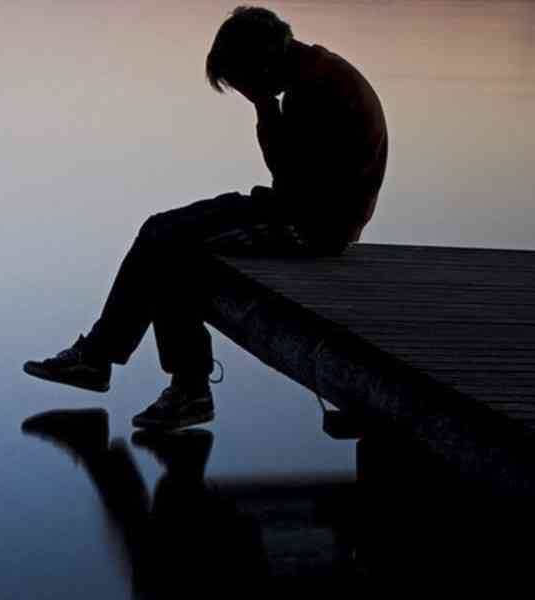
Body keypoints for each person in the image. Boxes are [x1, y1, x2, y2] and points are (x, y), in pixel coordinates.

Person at [23, 6, 388, 431]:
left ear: (260, 64)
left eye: (241, 81)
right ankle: (98, 357)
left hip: (315, 227)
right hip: (298, 206)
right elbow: (292, 179)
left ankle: (188, 387)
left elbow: (289, 177)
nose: (244, 91)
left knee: (179, 252)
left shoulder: (315, 91)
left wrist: (265, 108)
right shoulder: (315, 74)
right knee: (159, 229)